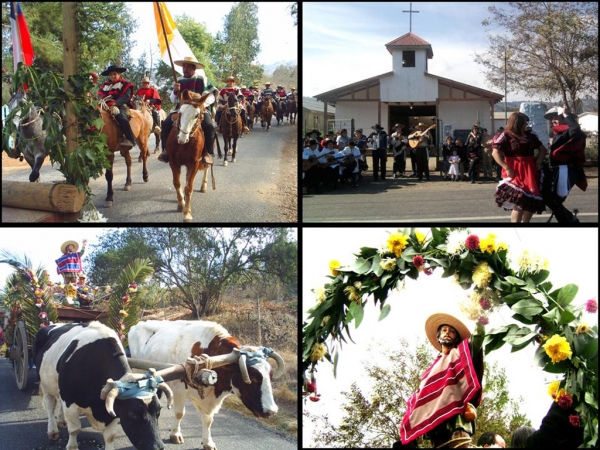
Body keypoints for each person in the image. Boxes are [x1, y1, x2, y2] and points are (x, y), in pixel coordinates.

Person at [399, 313, 484, 448]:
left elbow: (478, 341)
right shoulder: (430, 371)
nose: (447, 333)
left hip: (457, 421)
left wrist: (480, 319)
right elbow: (421, 396)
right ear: (438, 337)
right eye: (444, 330)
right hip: (437, 428)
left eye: (451, 331)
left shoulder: (462, 355)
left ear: (457, 337)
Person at [157, 55, 216, 164]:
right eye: (184, 66)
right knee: (165, 124)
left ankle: (207, 153)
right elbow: (173, 100)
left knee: (209, 126)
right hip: (180, 109)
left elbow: (211, 97)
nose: (185, 69)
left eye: (188, 67)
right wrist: (175, 91)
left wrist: (201, 104)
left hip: (198, 109)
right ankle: (165, 151)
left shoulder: (202, 79)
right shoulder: (178, 80)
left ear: (194, 68)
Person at [492, 112, 547, 222]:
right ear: (517, 123)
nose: (526, 125)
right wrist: (506, 167)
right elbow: (495, 153)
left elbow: (542, 149)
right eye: (524, 123)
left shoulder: (530, 136)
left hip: (530, 171)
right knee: (519, 200)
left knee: (530, 200)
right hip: (515, 171)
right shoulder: (505, 135)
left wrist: (538, 162)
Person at [540, 103, 587, 222]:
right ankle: (570, 219)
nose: (553, 120)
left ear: (565, 119)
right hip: (557, 171)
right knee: (550, 199)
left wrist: (566, 114)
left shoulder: (570, 132)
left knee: (555, 200)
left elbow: (575, 130)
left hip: (567, 171)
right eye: (552, 118)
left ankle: (568, 221)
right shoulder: (559, 133)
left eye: (557, 117)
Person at [97, 64, 136, 149]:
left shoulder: (125, 84)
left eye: (114, 74)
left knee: (121, 118)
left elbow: (126, 96)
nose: (113, 76)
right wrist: (100, 99)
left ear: (119, 74)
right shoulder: (105, 85)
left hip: (119, 106)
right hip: (105, 105)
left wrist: (115, 103)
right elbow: (100, 94)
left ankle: (130, 139)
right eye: (111, 74)